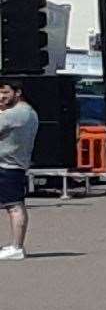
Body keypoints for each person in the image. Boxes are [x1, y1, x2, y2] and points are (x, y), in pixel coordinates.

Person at [0, 80, 38, 261]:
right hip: (14, 165)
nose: (1, 97)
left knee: (14, 206)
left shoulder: (13, 114)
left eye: (5, 92)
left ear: (17, 92)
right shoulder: (30, 112)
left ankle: (16, 247)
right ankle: (15, 246)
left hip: (8, 166)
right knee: (15, 205)